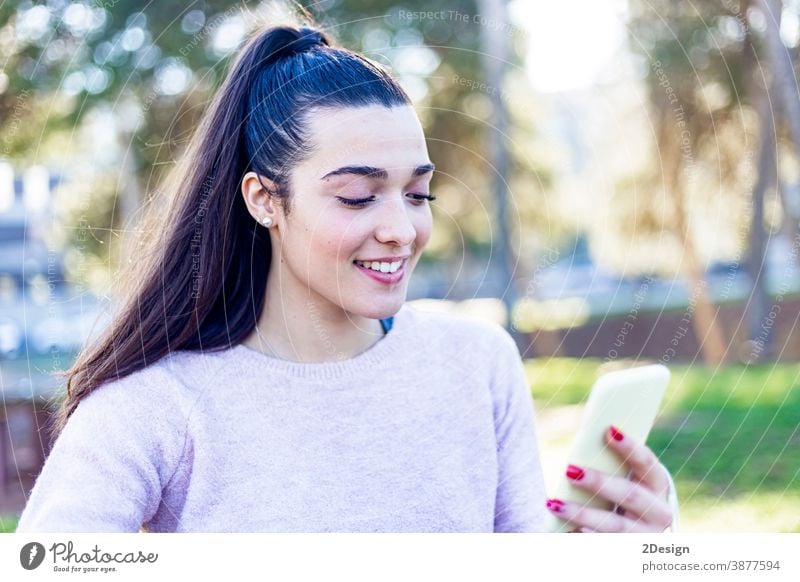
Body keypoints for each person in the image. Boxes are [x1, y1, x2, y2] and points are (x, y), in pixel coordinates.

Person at [15, 23, 675, 533]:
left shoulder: (478, 367)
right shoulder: (156, 408)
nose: (400, 228)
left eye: (418, 195)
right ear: (264, 200)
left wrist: (642, 550)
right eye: (359, 196)